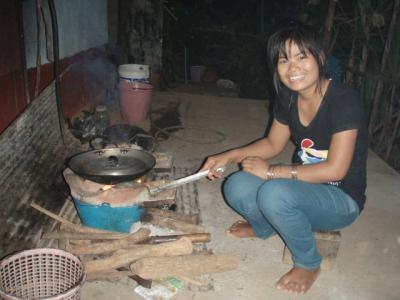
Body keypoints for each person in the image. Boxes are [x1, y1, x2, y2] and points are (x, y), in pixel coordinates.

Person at [200, 24, 367, 294]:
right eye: (284, 59)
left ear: (321, 58)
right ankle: (265, 226)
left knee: (274, 193)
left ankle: (309, 263)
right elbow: (272, 143)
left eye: (302, 56)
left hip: (341, 199)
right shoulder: (288, 98)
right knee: (237, 184)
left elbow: (336, 170)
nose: (293, 67)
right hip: (302, 187)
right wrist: (226, 156)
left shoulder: (344, 100)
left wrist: (272, 172)